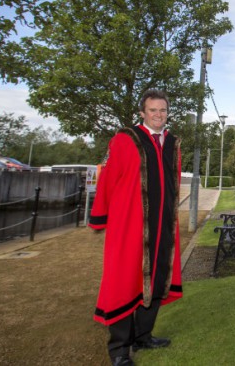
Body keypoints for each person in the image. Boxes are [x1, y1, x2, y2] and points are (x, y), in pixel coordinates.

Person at [89, 89, 183, 366]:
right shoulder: (124, 139)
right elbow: (108, 178)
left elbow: (174, 184)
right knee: (123, 282)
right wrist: (100, 217)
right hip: (130, 226)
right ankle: (119, 351)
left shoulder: (172, 143)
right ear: (142, 113)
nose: (158, 115)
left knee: (155, 279)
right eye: (153, 110)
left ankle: (144, 335)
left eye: (163, 110)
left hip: (163, 225)